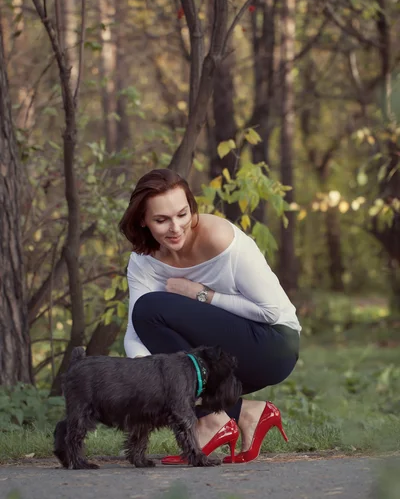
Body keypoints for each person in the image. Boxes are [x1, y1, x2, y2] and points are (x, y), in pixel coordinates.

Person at [119, 168, 301, 464]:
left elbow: (271, 312)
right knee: (148, 319)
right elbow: (137, 332)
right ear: (143, 220)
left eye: (182, 214)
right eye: (161, 220)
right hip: (220, 362)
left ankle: (212, 421)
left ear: (191, 208)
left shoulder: (221, 239)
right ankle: (240, 415)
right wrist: (149, 377)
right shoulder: (143, 261)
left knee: (151, 308)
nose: (175, 228)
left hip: (274, 345)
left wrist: (201, 294)